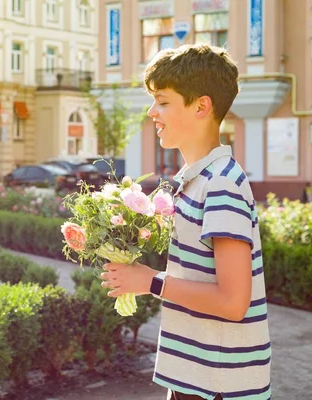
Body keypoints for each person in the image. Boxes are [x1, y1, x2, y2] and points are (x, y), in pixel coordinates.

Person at [100, 44, 271, 400]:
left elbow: (233, 302)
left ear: (201, 106)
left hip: (219, 385)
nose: (152, 112)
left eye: (162, 101)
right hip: (197, 378)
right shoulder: (198, 179)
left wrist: (150, 281)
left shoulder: (222, 183)